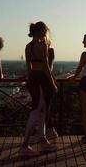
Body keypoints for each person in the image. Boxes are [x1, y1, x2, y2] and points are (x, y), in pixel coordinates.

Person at [19, 21, 58, 157]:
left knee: (41, 111)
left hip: (33, 79)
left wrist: (27, 78)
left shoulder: (28, 46)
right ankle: (25, 145)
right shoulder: (43, 45)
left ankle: (43, 141)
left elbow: (29, 69)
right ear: (42, 32)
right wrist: (52, 83)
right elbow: (46, 67)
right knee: (37, 111)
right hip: (42, 80)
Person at [28, 34, 59, 143]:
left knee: (42, 108)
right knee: (44, 107)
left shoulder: (32, 47)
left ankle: (43, 133)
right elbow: (48, 68)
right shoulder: (46, 49)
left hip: (41, 80)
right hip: (43, 80)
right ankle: (47, 132)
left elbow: (46, 68)